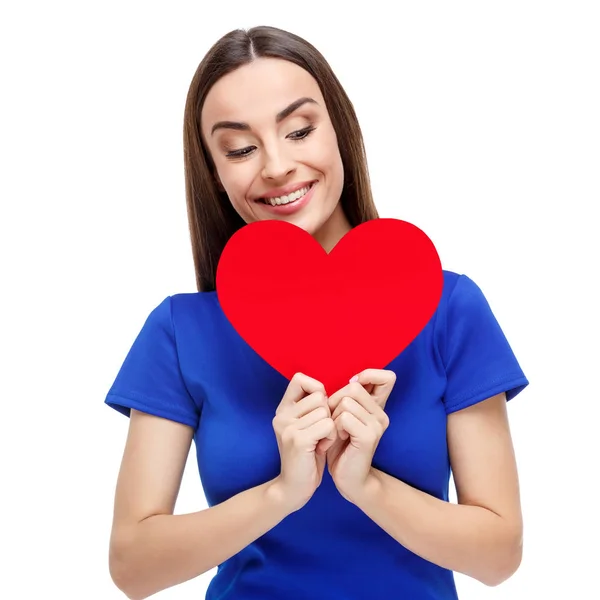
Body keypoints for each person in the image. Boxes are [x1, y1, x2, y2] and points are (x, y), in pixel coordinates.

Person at [104, 25, 529, 600]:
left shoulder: (449, 309)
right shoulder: (181, 332)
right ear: (214, 172)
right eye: (241, 148)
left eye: (299, 130)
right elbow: (133, 567)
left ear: (340, 133)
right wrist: (281, 492)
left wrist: (367, 486)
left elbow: (499, 555)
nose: (277, 166)